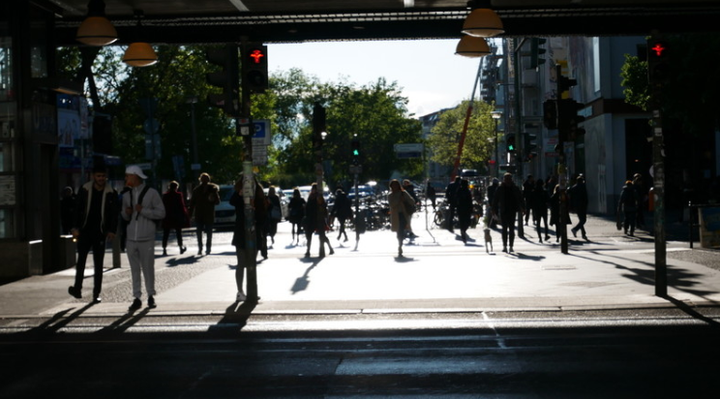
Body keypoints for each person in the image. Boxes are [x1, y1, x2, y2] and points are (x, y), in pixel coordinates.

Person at [67, 164, 119, 303]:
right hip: (84, 230)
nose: (101, 178)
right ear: (93, 176)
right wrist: (75, 227)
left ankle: (96, 293)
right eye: (98, 176)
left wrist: (112, 230)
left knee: (98, 264)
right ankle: (77, 289)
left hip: (100, 232)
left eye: (103, 176)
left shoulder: (111, 192)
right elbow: (77, 209)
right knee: (81, 262)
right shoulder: (84, 190)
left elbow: (114, 214)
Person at [122, 165, 165, 311]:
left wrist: (143, 210)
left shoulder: (151, 193)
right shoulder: (126, 195)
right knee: (134, 269)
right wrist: (126, 213)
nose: (126, 178)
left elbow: (161, 213)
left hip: (146, 237)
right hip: (130, 237)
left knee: (148, 268)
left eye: (128, 176)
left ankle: (150, 295)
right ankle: (137, 297)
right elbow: (124, 215)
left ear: (135, 176)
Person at [230, 174, 266, 302]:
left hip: (253, 230)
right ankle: (240, 291)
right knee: (241, 263)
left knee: (250, 263)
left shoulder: (258, 194)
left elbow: (263, 210)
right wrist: (240, 193)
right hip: (242, 231)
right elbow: (232, 201)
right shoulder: (238, 195)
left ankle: (251, 290)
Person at [189, 172, 220, 255]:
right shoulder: (197, 190)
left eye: (206, 179)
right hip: (199, 214)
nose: (204, 180)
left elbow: (217, 202)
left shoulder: (213, 189)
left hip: (209, 214)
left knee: (209, 233)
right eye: (203, 179)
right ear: (201, 179)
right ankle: (200, 248)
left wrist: (213, 198)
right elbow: (192, 203)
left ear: (208, 180)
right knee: (199, 232)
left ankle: (208, 248)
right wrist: (190, 214)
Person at [491, 173, 524, 253]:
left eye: (509, 179)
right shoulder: (500, 188)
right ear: (504, 180)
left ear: (511, 179)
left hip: (512, 211)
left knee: (511, 229)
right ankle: (505, 246)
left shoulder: (515, 188)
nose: (507, 181)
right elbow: (495, 199)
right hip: (504, 211)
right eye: (506, 179)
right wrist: (494, 209)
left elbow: (520, 198)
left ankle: (511, 246)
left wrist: (523, 208)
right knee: (505, 229)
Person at [388, 179, 416, 257]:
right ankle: (400, 242)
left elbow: (412, 201)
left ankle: (400, 245)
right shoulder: (390, 195)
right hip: (395, 215)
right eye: (393, 186)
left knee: (401, 230)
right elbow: (392, 204)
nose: (394, 187)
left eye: (396, 185)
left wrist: (404, 200)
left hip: (404, 214)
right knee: (398, 231)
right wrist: (398, 200)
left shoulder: (403, 193)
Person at [304, 183, 333, 257]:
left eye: (315, 189)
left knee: (322, 236)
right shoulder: (310, 197)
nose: (314, 190)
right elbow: (307, 207)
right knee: (309, 236)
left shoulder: (318, 197)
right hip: (311, 219)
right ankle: (308, 250)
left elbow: (323, 206)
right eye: (313, 189)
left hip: (318, 218)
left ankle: (330, 248)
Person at [161, 181, 189, 256]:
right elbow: (181, 206)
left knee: (166, 234)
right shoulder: (178, 195)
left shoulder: (165, 196)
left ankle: (164, 249)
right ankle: (180, 248)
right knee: (178, 233)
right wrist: (184, 215)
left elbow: (162, 206)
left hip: (167, 217)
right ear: (176, 187)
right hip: (176, 217)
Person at [569, 174, 589, 240]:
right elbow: (585, 197)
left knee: (581, 220)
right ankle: (575, 229)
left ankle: (583, 234)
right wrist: (586, 204)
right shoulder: (583, 187)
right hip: (582, 205)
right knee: (583, 220)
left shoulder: (573, 187)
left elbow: (570, 196)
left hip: (576, 206)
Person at [530, 178, 551, 243]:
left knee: (538, 224)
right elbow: (548, 200)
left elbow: (532, 201)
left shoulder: (534, 191)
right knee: (545, 223)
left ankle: (540, 238)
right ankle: (546, 235)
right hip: (544, 208)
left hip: (537, 209)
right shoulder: (544, 191)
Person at [456, 179, 474, 244]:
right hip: (466, 209)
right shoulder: (467, 191)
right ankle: (463, 230)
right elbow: (470, 201)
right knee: (468, 221)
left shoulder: (459, 190)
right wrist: (471, 209)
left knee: (462, 221)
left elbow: (456, 199)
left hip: (460, 208)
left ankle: (463, 231)